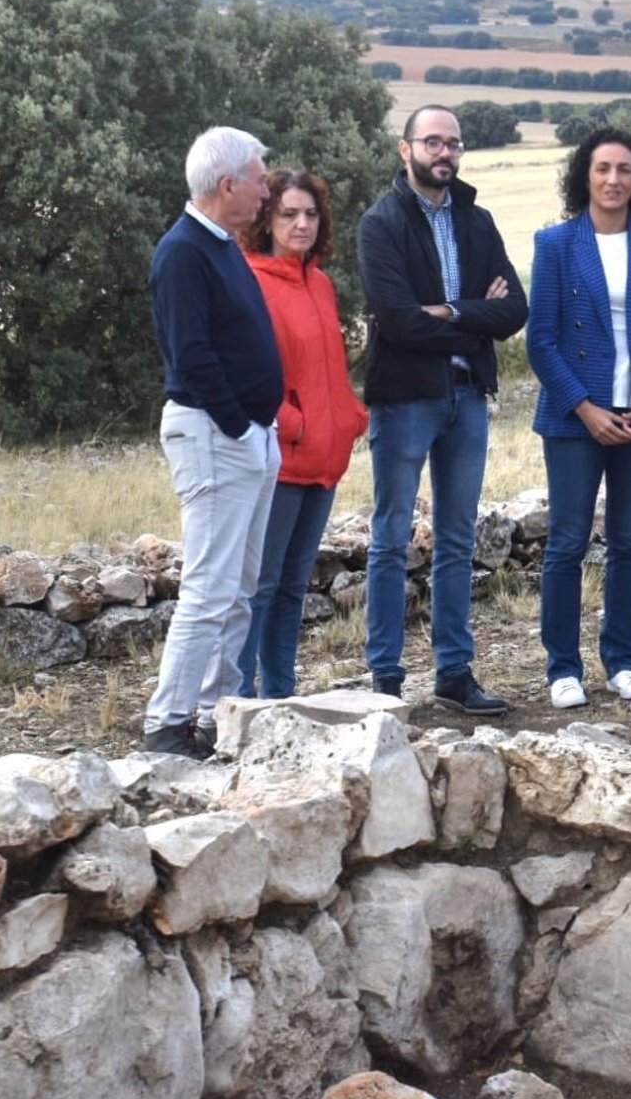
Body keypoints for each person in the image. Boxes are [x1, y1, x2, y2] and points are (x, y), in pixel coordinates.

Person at [357, 104, 528, 714]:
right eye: (432, 142)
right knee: (390, 539)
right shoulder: (380, 225)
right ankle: (385, 679)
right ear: (406, 151)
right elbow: (399, 323)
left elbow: (515, 312)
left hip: (466, 399)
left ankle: (454, 674)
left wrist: (448, 313)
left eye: (453, 143)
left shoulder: (478, 223)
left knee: (457, 540)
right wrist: (472, 317)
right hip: (405, 399)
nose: (444, 153)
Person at [526, 128, 631, 709]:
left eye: (624, 169)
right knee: (567, 544)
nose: (613, 179)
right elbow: (541, 341)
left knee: (627, 543)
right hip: (575, 418)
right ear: (584, 176)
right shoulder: (555, 244)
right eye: (602, 169)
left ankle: (623, 662)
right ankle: (562, 668)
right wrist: (585, 407)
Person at [142, 126, 281, 757]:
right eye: (258, 176)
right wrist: (239, 425)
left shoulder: (220, 244)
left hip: (246, 434)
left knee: (238, 586)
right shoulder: (183, 252)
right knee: (209, 587)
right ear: (228, 185)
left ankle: (215, 714)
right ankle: (168, 723)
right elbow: (191, 355)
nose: (266, 188)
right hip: (215, 434)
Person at [233, 168, 369, 699]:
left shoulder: (321, 282)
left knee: (293, 587)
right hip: (283, 459)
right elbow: (248, 371)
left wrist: (351, 417)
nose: (302, 223)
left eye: (311, 214)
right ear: (266, 219)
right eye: (289, 213)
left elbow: (327, 367)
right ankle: (238, 700)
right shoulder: (250, 280)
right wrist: (294, 424)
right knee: (261, 587)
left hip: (326, 458)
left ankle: (280, 695)